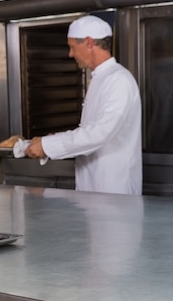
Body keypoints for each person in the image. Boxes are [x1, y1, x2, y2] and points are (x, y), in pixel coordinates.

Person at [25, 15, 142, 195]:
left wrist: (48, 145)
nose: (70, 54)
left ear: (88, 42)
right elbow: (91, 130)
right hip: (94, 189)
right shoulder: (100, 78)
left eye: (72, 47)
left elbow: (100, 133)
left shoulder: (119, 80)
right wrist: (53, 140)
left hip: (115, 193)